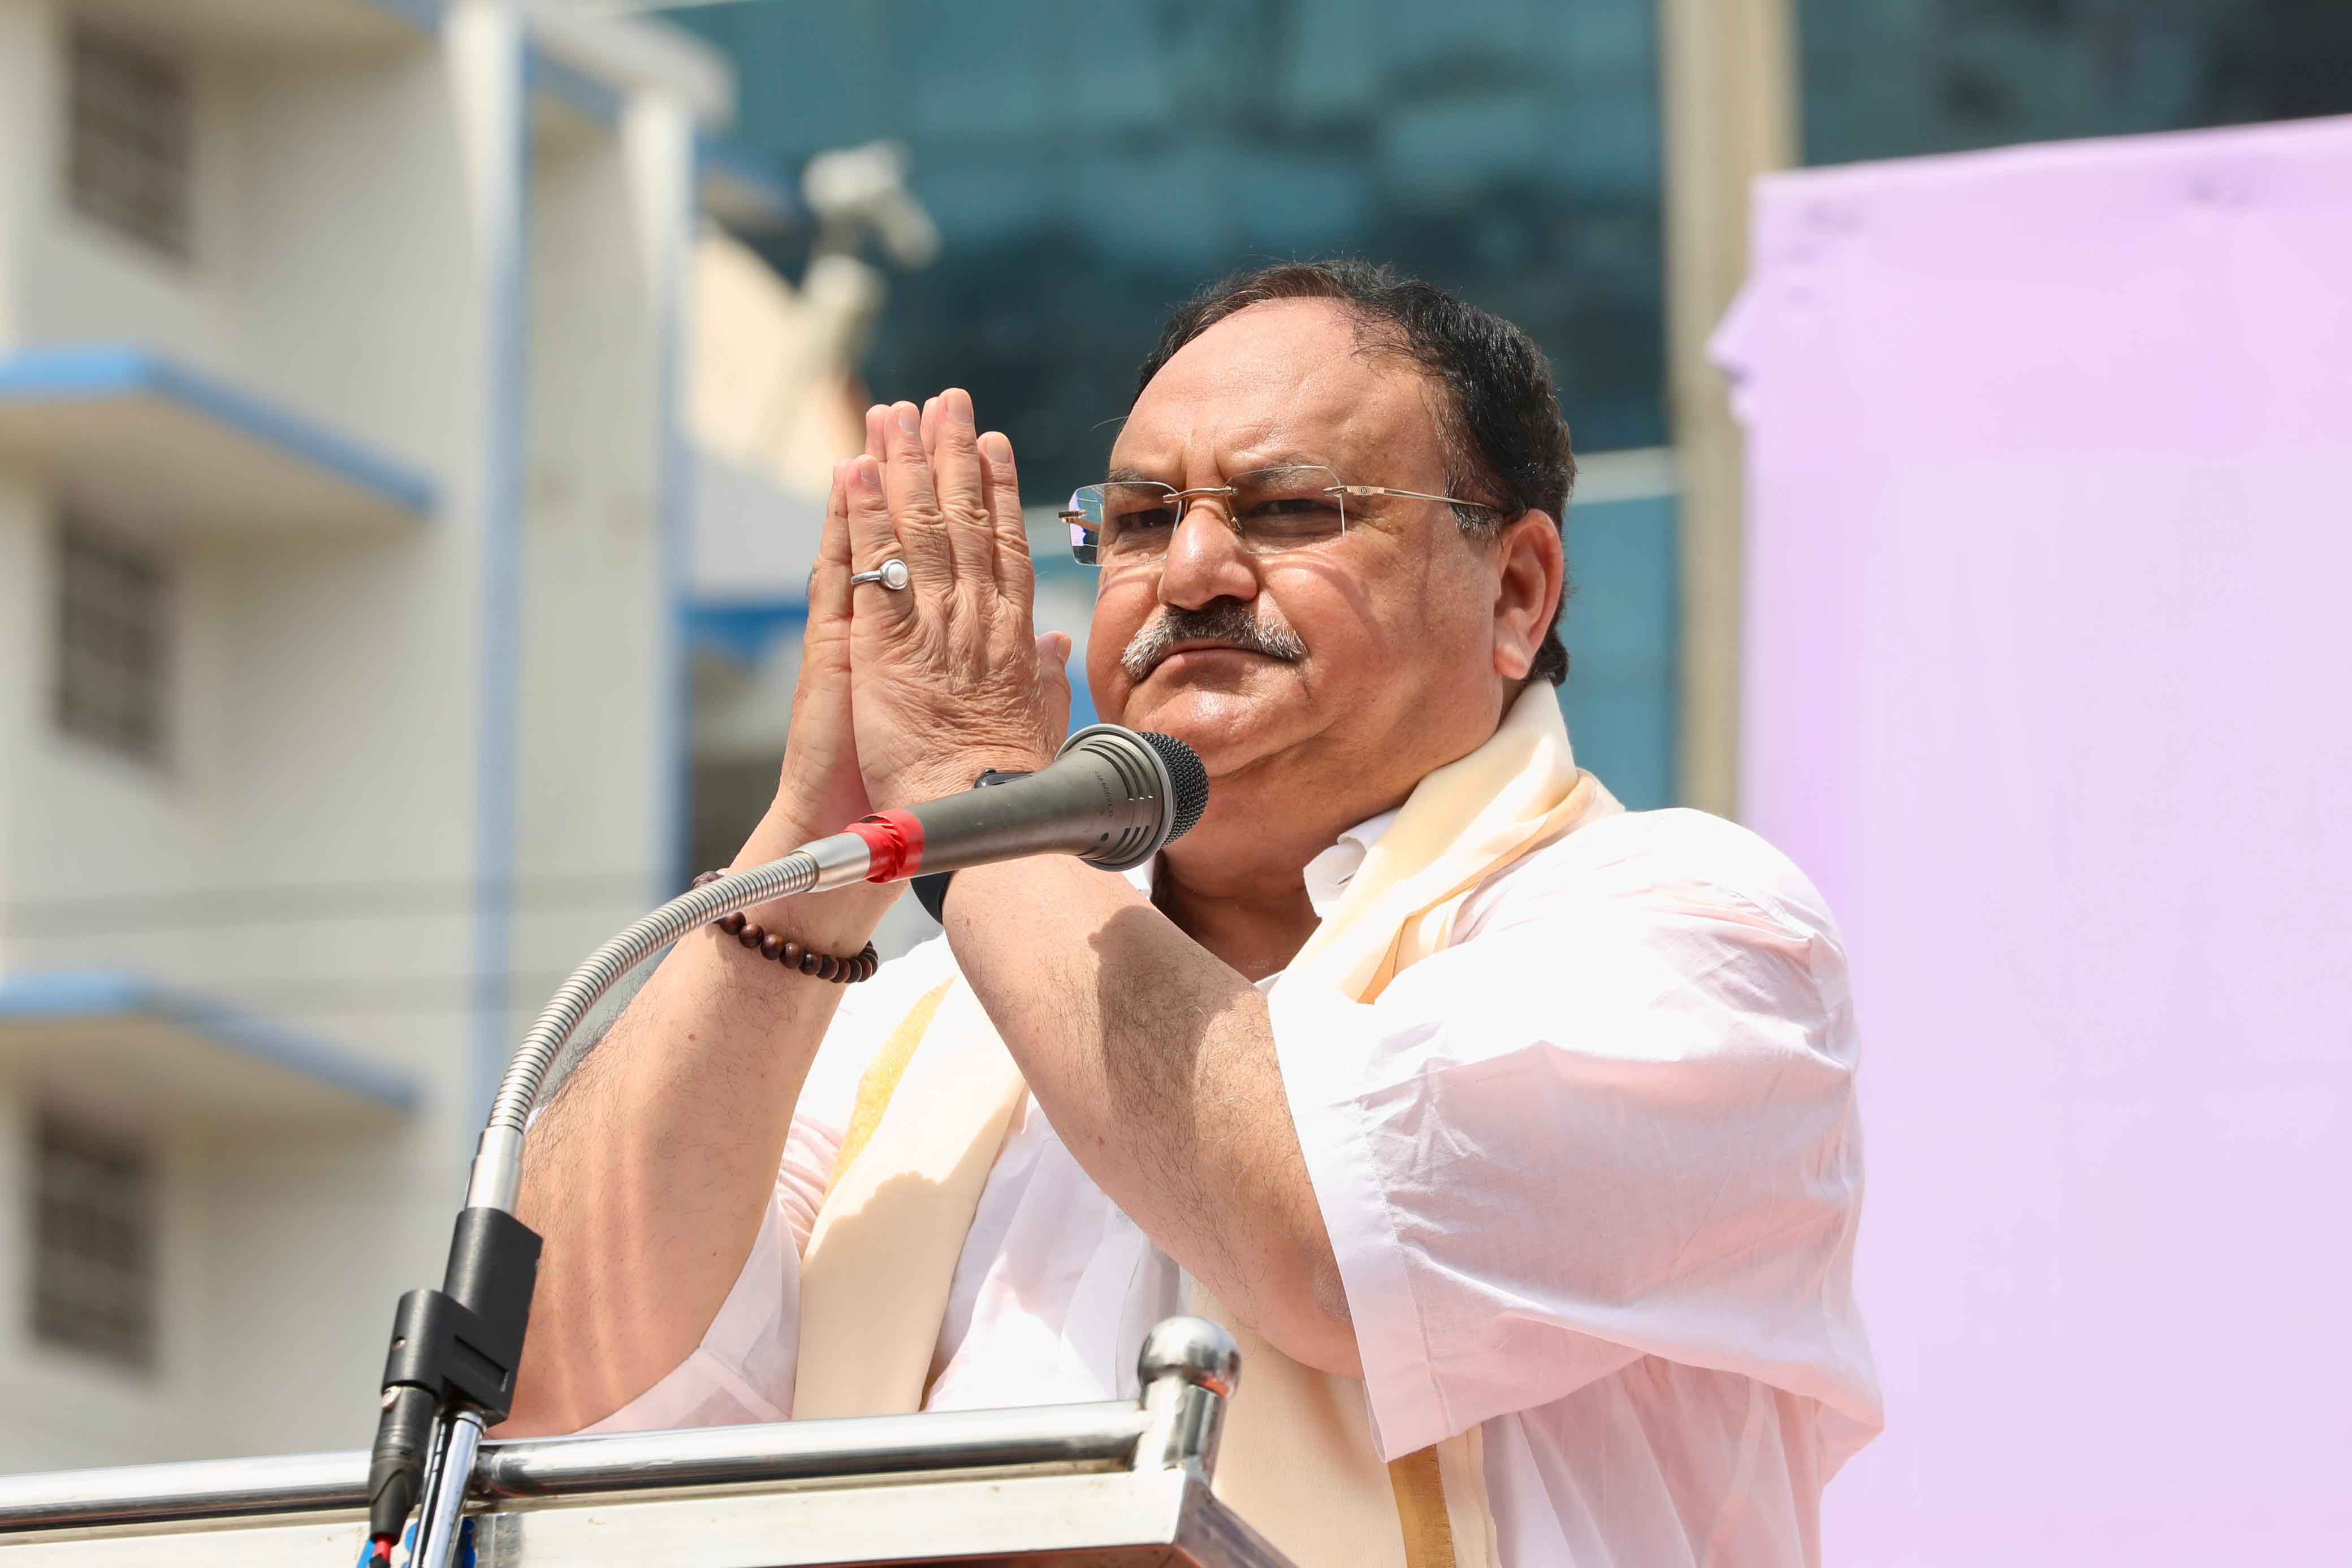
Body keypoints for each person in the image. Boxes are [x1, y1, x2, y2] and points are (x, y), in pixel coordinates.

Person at [505, 261, 1880, 1568]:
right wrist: (824, 835)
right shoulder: (922, 1025)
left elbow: (1321, 1240)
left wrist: (970, 798)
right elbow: (558, 1392)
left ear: (1514, 590)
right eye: (1144, 519)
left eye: (1288, 508)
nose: (1193, 571)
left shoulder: (1685, 935)